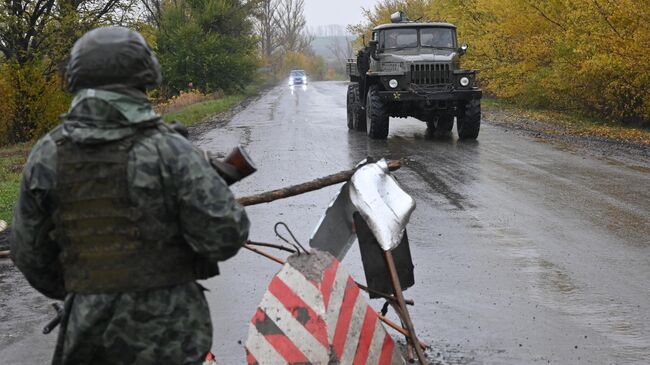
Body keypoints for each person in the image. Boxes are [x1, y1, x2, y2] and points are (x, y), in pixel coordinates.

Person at [10, 26, 250, 365]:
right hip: (172, 338)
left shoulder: (47, 154)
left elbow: (28, 254)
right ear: (145, 77)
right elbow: (225, 236)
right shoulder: (170, 150)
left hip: (87, 335)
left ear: (77, 80)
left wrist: (87, 289)